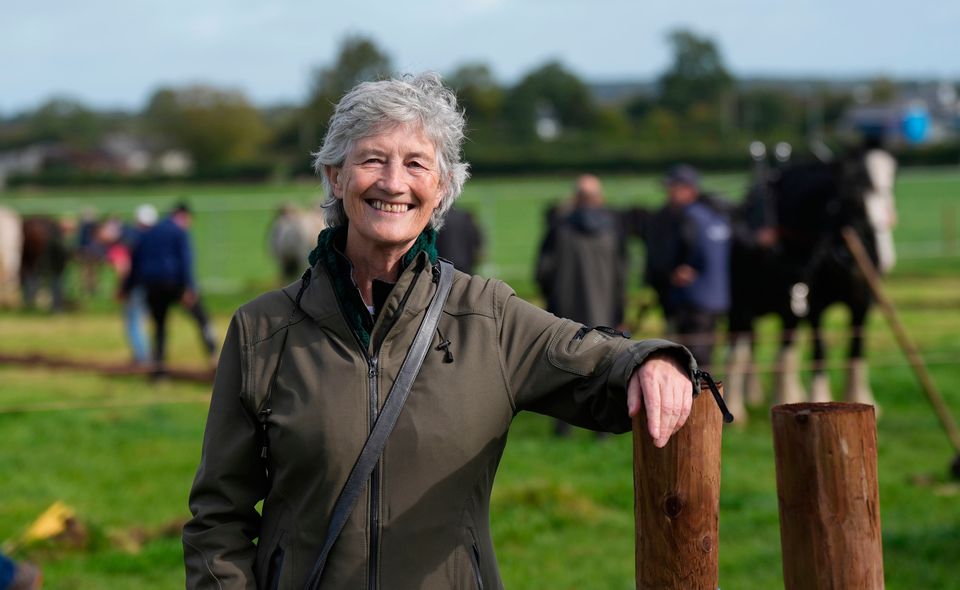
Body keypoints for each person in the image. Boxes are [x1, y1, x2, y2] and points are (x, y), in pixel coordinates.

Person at [182, 73, 698, 589]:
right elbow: (217, 518)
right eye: (371, 159)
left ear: (443, 186)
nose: (392, 182)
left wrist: (655, 360)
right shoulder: (262, 329)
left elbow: (597, 361)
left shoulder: (487, 317)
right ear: (335, 177)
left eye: (415, 163)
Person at [536, 174, 628, 436]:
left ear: (575, 197)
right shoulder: (613, 229)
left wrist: (551, 298)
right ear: (600, 198)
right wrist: (619, 310)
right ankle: (603, 427)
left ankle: (563, 426)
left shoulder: (559, 228)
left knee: (565, 366)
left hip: (565, 311)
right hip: (605, 311)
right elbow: (621, 275)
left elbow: (544, 271)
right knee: (604, 366)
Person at [645, 165, 732, 369]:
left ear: (688, 189)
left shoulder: (686, 217)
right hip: (716, 297)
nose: (668, 194)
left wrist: (679, 270)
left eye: (672, 188)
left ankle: (695, 400)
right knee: (705, 356)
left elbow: (688, 248)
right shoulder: (714, 216)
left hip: (691, 298)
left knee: (691, 360)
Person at [122, 202, 216, 376]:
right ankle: (214, 357)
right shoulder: (179, 232)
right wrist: (190, 287)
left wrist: (126, 288)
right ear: (183, 215)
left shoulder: (147, 233)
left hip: (152, 286)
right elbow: (186, 260)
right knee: (202, 319)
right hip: (175, 284)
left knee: (159, 327)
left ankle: (158, 370)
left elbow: (136, 262)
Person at [861, 135, 898, 274]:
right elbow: (882, 187)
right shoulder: (879, 158)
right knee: (884, 256)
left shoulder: (869, 157)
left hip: (875, 206)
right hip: (875, 207)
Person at [434, 206, 484, 274]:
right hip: (465, 263)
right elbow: (475, 239)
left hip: (444, 264)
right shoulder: (465, 216)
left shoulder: (438, 219)